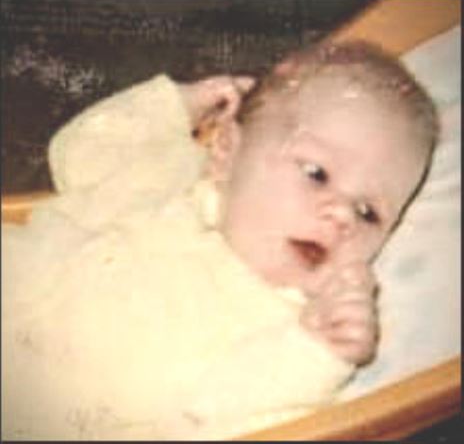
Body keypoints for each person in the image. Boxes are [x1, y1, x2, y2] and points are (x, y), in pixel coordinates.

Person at [2, 40, 438, 440]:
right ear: (227, 150)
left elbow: (230, 419)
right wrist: (173, 106)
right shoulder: (170, 172)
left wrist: (319, 354)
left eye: (368, 212)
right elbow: (81, 152)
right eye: (317, 174)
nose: (340, 215)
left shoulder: (283, 333)